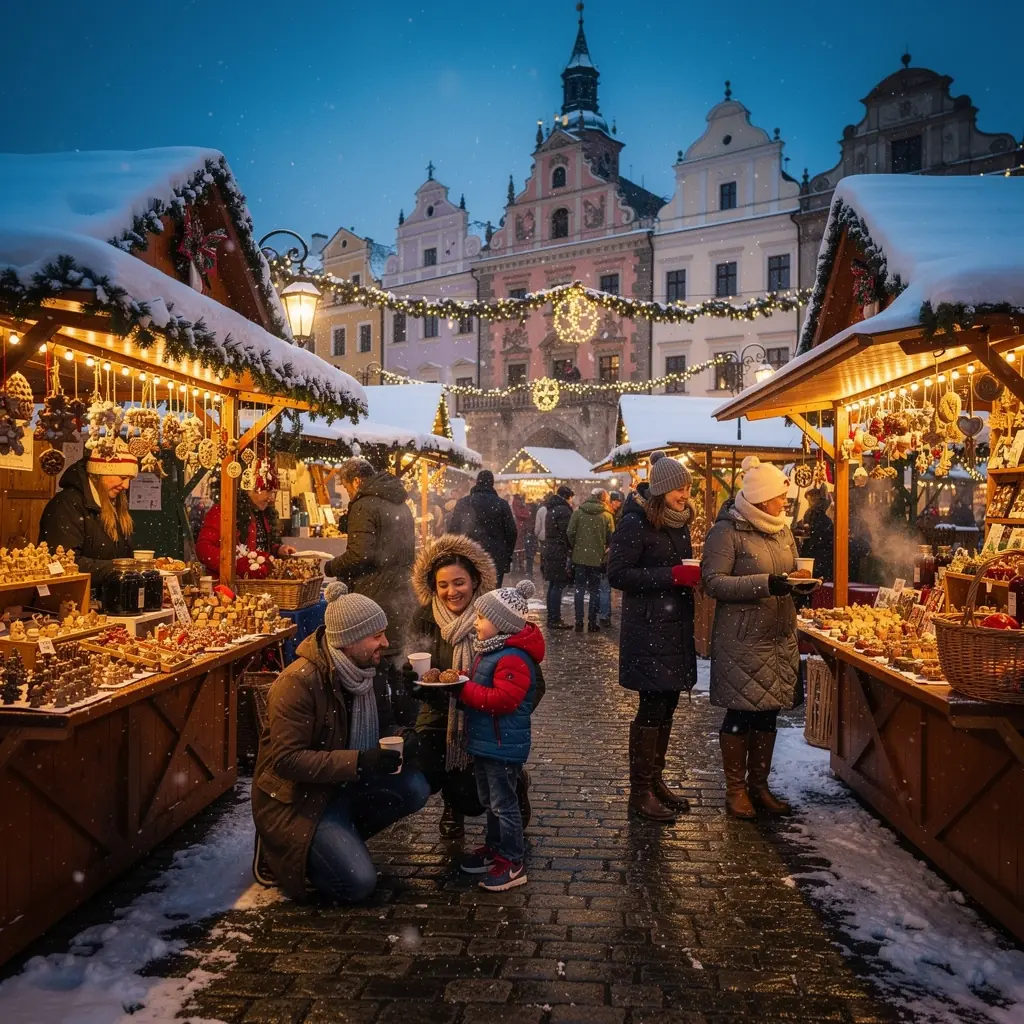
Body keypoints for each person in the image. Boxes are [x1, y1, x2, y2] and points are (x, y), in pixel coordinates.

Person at [251, 582, 430, 902]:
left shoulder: (369, 669)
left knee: (415, 787)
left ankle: (339, 840)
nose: (386, 643)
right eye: (377, 636)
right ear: (348, 641)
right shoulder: (299, 681)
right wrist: (361, 761)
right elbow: (287, 761)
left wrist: (406, 731)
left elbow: (388, 724)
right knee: (358, 885)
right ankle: (294, 852)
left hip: (344, 785)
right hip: (300, 799)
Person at [702, 456, 804, 820]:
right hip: (743, 637)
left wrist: (798, 587)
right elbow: (712, 582)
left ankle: (759, 786)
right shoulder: (726, 530)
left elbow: (789, 570)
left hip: (778, 635)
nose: (785, 503)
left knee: (768, 713)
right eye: (780, 497)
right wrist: (765, 584)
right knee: (741, 712)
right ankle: (737, 789)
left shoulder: (782, 529)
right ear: (762, 498)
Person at [608, 452, 698, 822]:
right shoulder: (634, 523)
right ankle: (639, 791)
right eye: (680, 488)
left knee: (668, 706)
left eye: (687, 487)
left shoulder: (678, 522)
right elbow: (618, 575)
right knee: (651, 708)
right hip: (648, 630)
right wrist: (672, 576)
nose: (685, 494)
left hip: (674, 627)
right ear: (661, 490)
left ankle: (655, 781)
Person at [458, 580, 544, 891]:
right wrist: (464, 682)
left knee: (503, 803)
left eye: (481, 617)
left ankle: (512, 860)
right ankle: (495, 849)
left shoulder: (513, 658)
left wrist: (464, 689)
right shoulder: (492, 650)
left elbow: (503, 700)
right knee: (490, 800)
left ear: (502, 623)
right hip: (487, 743)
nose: (476, 623)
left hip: (502, 745)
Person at [324, 458, 416, 665]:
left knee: (375, 661)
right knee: (396, 659)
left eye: (347, 488)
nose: (348, 494)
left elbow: (360, 555)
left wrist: (330, 567)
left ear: (356, 481)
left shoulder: (364, 504)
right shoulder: (399, 502)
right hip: (402, 594)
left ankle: (379, 697)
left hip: (375, 594)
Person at [39, 444, 138, 588]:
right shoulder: (66, 505)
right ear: (101, 473)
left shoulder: (115, 504)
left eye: (129, 479)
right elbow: (66, 563)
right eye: (122, 477)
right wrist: (122, 567)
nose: (126, 486)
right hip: (74, 597)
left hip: (109, 597)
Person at [196, 458, 296, 578]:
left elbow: (264, 546)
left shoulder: (263, 513)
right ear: (250, 489)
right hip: (229, 585)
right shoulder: (225, 511)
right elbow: (203, 549)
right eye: (268, 491)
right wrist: (235, 564)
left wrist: (279, 549)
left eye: (274, 493)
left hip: (259, 585)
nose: (272, 498)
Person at [448, 470, 519, 587]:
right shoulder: (502, 504)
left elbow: (453, 530)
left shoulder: (464, 502)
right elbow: (512, 532)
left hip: (469, 555)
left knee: (470, 594)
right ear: (492, 483)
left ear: (477, 482)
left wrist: (455, 554)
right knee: (492, 596)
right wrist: (507, 555)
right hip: (495, 557)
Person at [567, 487, 615, 633]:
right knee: (595, 590)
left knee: (579, 589)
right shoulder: (607, 516)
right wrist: (603, 547)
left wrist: (577, 546)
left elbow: (570, 532)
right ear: (603, 499)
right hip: (597, 559)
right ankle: (592, 622)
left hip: (579, 558)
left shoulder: (578, 512)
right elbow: (612, 537)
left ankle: (579, 622)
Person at [539, 485, 574, 629]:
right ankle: (555, 618)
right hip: (558, 551)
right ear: (567, 497)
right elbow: (567, 532)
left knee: (553, 585)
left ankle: (552, 617)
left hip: (550, 549)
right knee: (557, 585)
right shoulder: (564, 510)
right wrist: (570, 547)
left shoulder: (551, 509)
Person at [598, 491, 623, 626]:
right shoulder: (609, 515)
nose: (618, 504)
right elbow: (612, 536)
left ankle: (601, 613)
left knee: (602, 586)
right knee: (604, 586)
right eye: (617, 502)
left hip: (601, 554)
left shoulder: (606, 514)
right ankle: (604, 615)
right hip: (606, 554)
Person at [799, 487, 834, 582]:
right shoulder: (808, 513)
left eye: (816, 495)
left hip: (820, 558)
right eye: (811, 495)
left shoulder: (824, 517)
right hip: (812, 557)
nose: (813, 498)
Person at [511, 493, 531, 574]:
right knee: (520, 550)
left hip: (517, 529)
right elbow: (525, 515)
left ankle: (515, 568)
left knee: (516, 550)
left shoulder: (514, 504)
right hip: (521, 529)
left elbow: (518, 514)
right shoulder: (521, 505)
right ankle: (520, 567)